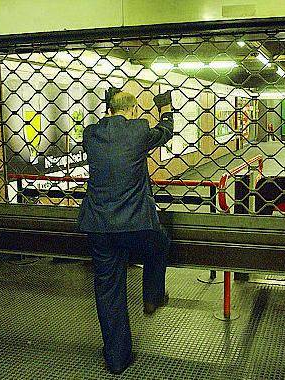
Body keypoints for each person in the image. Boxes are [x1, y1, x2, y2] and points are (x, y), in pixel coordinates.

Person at [77, 91, 174, 374]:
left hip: (99, 226)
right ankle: (153, 294)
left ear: (108, 110)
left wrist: (112, 104)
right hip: (135, 225)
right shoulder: (139, 131)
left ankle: (117, 358)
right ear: (133, 110)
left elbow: (110, 134)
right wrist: (165, 108)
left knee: (108, 290)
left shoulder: (91, 134)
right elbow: (165, 131)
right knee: (160, 242)